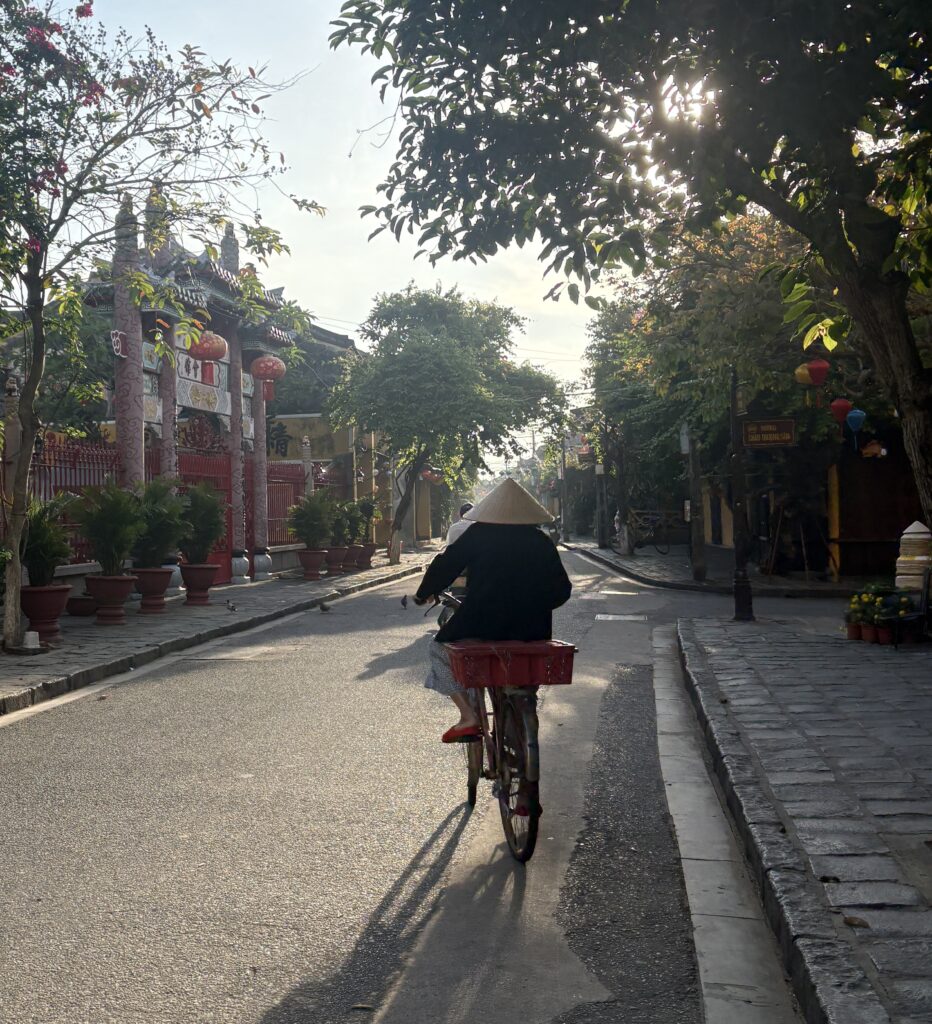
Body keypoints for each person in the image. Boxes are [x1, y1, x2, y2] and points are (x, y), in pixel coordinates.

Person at [413, 478, 572, 743]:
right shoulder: (540, 541)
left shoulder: (478, 535)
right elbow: (562, 591)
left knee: (438, 649)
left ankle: (468, 716)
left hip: (481, 624)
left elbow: (445, 565)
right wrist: (533, 606)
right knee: (527, 675)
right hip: (533, 630)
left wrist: (422, 594)